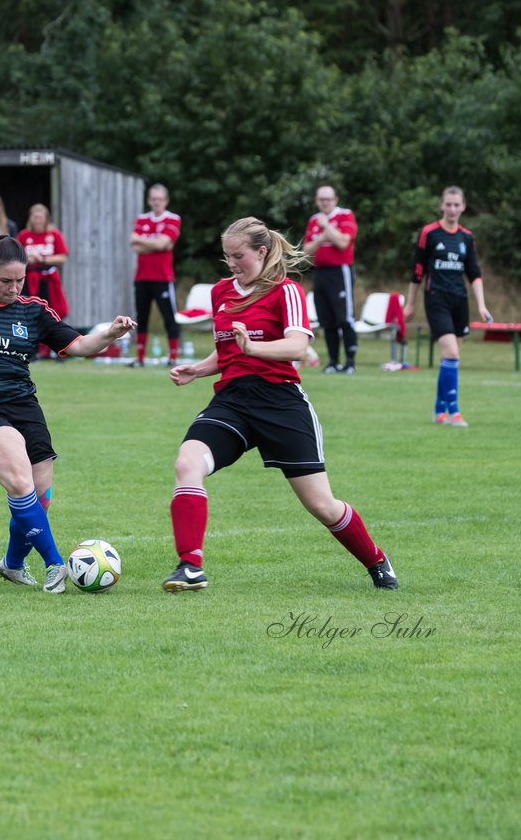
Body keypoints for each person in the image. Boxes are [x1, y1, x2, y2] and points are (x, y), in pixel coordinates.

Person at [161, 217, 396, 593]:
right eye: (227, 257)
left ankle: (377, 560)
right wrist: (198, 369)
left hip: (280, 402)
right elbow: (227, 351)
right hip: (233, 401)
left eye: (239, 255)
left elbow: (297, 347)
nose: (233, 263)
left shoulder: (286, 291)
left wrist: (252, 347)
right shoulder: (221, 292)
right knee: (187, 463)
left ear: (262, 251)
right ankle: (190, 566)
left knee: (322, 505)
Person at [0, 236, 136, 593]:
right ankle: (55, 566)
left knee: (39, 495)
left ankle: (13, 563)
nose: (14, 288)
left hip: (23, 405)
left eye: (20, 280)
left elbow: (78, 345)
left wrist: (110, 333)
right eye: (6, 281)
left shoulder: (33, 309)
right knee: (20, 481)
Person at [403, 186, 493, 427]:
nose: (452, 209)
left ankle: (438, 410)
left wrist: (482, 306)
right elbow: (417, 271)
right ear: (442, 206)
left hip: (459, 301)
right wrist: (410, 304)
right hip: (436, 299)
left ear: (463, 207)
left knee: (451, 357)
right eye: (448, 204)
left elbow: (474, 274)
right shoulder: (429, 233)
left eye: (457, 205)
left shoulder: (467, 237)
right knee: (451, 353)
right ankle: (454, 412)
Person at [303, 185, 359, 374]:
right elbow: (306, 250)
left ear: (335, 199)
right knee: (326, 319)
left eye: (328, 199)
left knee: (345, 317)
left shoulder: (345, 215)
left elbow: (343, 242)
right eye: (321, 199)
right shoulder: (313, 220)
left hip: (340, 271)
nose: (325, 203)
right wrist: (322, 238)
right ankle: (333, 361)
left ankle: (350, 362)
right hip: (320, 273)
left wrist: (327, 226)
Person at [129, 183, 181, 366]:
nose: (156, 202)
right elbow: (134, 244)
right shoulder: (142, 219)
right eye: (153, 199)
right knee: (141, 317)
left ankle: (173, 357)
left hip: (163, 277)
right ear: (149, 200)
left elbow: (163, 244)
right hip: (142, 277)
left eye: (160, 199)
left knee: (169, 317)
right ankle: (140, 358)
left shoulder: (173, 219)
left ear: (166, 201)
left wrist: (146, 243)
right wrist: (156, 244)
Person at [16, 203, 69, 360]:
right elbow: (15, 257)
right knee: (29, 312)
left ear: (46, 219)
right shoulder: (24, 236)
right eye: (35, 217)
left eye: (41, 217)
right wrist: (28, 259)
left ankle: (57, 349)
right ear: (30, 218)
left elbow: (62, 257)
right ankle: (32, 350)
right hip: (30, 278)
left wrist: (44, 259)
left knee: (53, 312)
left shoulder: (54, 235)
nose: (38, 220)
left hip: (48, 278)